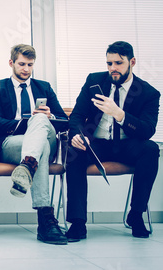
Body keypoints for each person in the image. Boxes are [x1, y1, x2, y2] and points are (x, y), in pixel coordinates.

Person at [66, 41, 160, 240]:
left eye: (118, 63)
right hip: (96, 143)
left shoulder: (148, 93)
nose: (113, 68)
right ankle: (77, 222)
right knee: (73, 152)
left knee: (151, 150)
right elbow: (76, 116)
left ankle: (136, 215)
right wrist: (76, 134)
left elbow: (147, 130)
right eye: (109, 63)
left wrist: (120, 114)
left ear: (132, 62)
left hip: (128, 145)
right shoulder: (94, 81)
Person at [0, 44, 69, 245]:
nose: (26, 69)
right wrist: (27, 123)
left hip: (42, 137)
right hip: (11, 143)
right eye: (22, 64)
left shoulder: (44, 87)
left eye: (30, 65)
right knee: (41, 143)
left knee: (41, 119)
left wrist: (50, 116)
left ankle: (28, 164)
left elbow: (64, 121)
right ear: (11, 63)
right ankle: (45, 220)